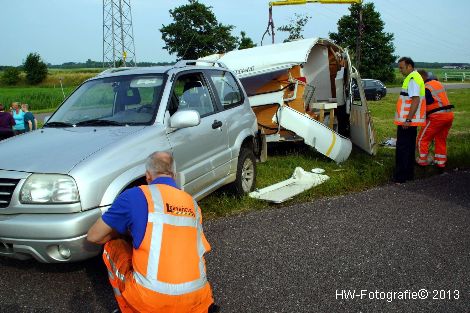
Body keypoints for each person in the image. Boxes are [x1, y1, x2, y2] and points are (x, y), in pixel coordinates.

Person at [87, 151, 218, 313]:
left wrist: (121, 233)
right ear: (174, 175)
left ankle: (128, 309)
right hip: (198, 300)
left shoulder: (134, 195)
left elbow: (94, 236)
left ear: (148, 175)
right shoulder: (192, 204)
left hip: (151, 301)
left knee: (111, 246)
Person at [393, 57, 426, 183]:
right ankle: (408, 175)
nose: (400, 70)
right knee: (409, 148)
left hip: (407, 122)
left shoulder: (412, 79)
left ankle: (401, 177)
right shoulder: (416, 77)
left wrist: (407, 119)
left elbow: (415, 100)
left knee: (403, 148)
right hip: (412, 121)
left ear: (409, 66)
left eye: (401, 67)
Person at [416, 70, 454, 168]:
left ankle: (422, 161)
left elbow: (425, 104)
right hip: (449, 115)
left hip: (437, 117)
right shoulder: (437, 83)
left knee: (422, 139)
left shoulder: (425, 87)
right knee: (440, 139)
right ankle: (440, 162)